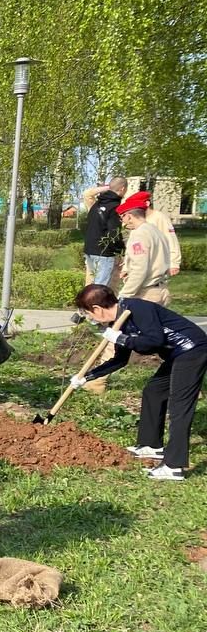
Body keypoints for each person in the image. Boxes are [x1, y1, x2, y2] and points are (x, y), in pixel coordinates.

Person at [72, 283, 207, 481]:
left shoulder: (137, 309)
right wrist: (87, 376)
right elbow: (120, 359)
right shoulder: (118, 322)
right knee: (153, 391)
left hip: (192, 349)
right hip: (176, 354)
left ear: (97, 309)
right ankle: (150, 445)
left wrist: (123, 339)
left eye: (88, 314)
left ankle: (174, 466)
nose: (90, 319)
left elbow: (155, 340)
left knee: (180, 405)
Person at [115, 196, 172, 306]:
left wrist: (124, 294)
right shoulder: (155, 231)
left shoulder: (139, 234)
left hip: (146, 294)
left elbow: (139, 269)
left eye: (122, 218)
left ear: (129, 216)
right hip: (160, 289)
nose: (123, 223)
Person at [125, 191, 181, 282]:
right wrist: (126, 266)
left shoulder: (159, 218)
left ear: (147, 203)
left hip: (156, 262)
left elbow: (171, 240)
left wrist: (174, 262)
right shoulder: (136, 219)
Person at [82, 177, 126, 288]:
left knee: (90, 285)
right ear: (122, 189)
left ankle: (86, 305)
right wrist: (121, 250)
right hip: (104, 252)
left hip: (90, 249)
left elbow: (87, 193)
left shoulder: (95, 204)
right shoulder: (115, 207)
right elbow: (114, 233)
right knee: (100, 288)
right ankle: (96, 305)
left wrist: (108, 187)